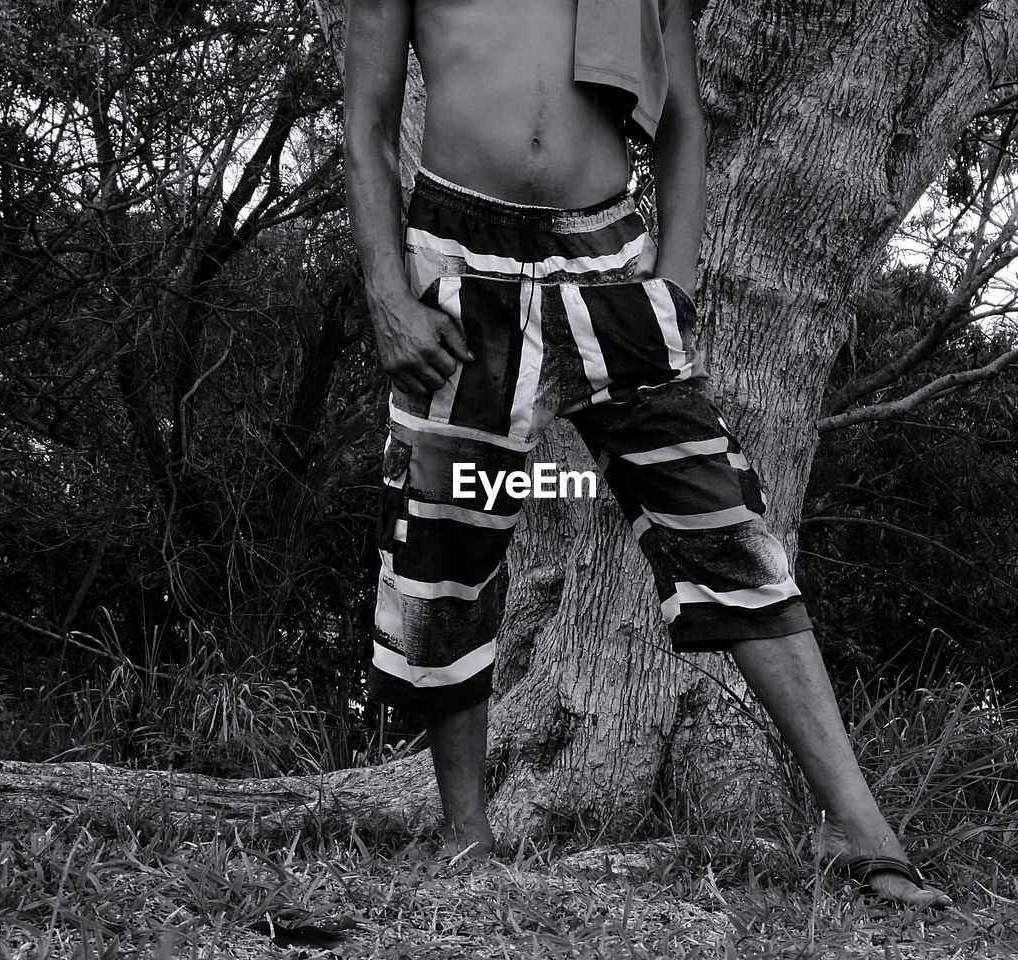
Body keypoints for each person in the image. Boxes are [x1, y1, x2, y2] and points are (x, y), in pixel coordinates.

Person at [342, 0, 952, 911]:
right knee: (445, 550)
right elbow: (368, 118)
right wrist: (389, 290)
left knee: (725, 530)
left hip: (612, 260)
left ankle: (855, 824)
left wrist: (675, 277)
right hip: (459, 261)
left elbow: (683, 122)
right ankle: (466, 834)